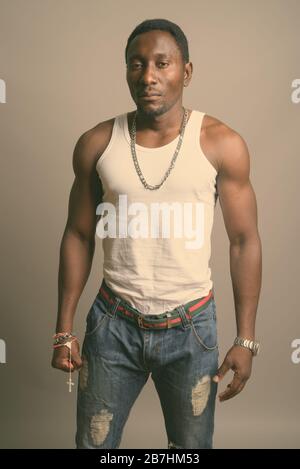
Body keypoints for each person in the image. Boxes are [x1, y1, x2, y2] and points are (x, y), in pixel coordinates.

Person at [51, 18, 262, 449]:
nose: (148, 76)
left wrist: (246, 340)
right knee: (95, 446)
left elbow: (244, 241)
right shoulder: (96, 143)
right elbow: (77, 234)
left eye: (162, 64)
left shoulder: (221, 143)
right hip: (113, 324)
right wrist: (64, 329)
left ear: (185, 72)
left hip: (192, 327)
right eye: (136, 64)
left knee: (190, 451)